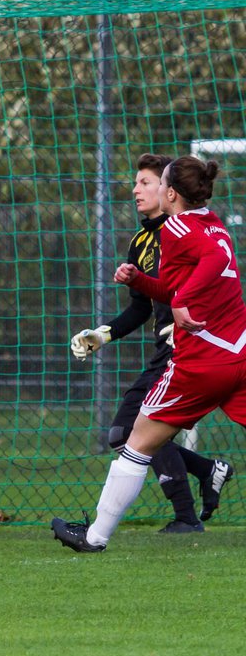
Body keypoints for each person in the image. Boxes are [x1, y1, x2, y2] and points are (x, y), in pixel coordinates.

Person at [54, 156, 241, 552]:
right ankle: (201, 480)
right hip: (238, 353)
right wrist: (139, 280)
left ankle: (94, 537)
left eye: (148, 182)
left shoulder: (175, 227)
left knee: (134, 441)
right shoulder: (211, 220)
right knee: (135, 437)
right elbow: (174, 288)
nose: (138, 189)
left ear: (169, 192)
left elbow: (213, 262)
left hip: (201, 363)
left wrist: (183, 301)